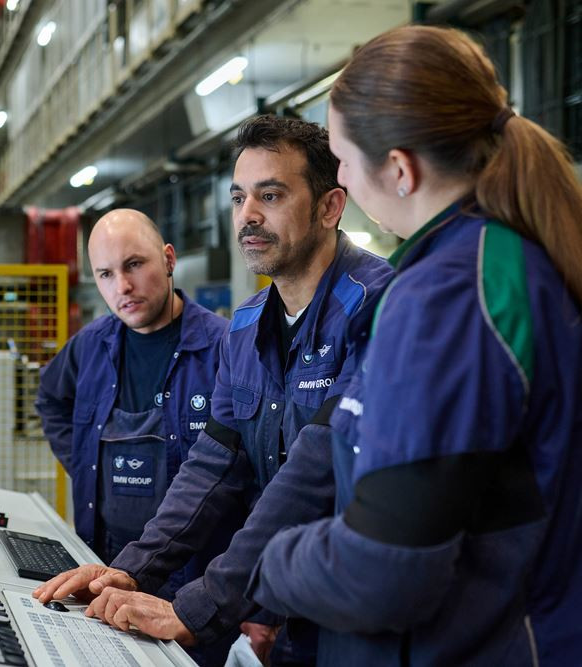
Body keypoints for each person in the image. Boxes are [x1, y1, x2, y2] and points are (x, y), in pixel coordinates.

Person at [247, 26, 582, 665]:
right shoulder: (504, 260)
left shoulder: (447, 297)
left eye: (342, 156)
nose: (337, 175)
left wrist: (274, 563)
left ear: (399, 170)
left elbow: (383, 572)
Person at [35, 116, 392, 666]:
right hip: (294, 605)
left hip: (364, 613)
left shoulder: (376, 307)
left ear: (330, 207)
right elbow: (214, 465)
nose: (247, 215)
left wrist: (201, 605)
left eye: (270, 195)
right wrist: (131, 568)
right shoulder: (247, 326)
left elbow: (313, 476)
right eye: (238, 197)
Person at [35, 209, 237, 605]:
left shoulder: (224, 348)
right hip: (99, 566)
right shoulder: (90, 346)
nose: (122, 286)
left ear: (168, 259)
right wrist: (83, 463)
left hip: (192, 578)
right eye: (105, 274)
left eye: (134, 265)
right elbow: (50, 400)